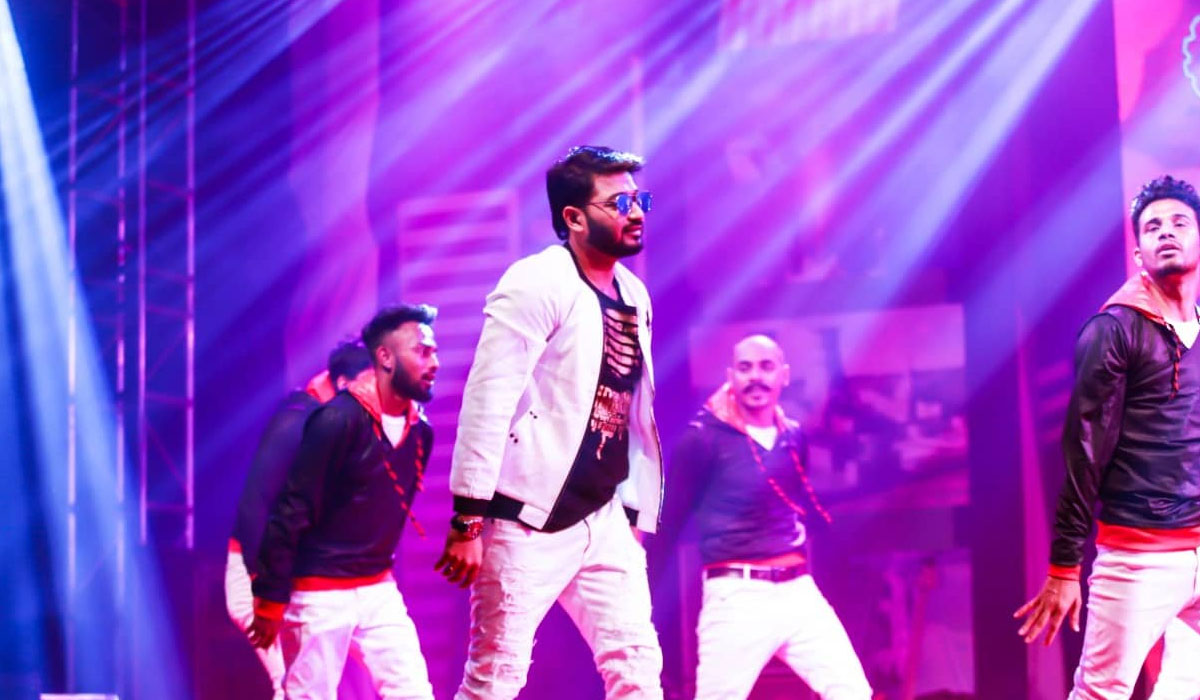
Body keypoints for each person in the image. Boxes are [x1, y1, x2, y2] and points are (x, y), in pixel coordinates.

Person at [435, 145, 664, 699]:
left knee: (637, 668)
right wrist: (468, 519)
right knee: (495, 679)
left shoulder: (634, 294)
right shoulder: (537, 281)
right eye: (620, 203)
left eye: (640, 199)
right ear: (574, 217)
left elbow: (631, 409)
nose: (636, 212)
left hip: (603, 514)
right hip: (527, 517)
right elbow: (488, 398)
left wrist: (634, 506)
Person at [1014, 175, 1200, 699]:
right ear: (1138, 252)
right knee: (1101, 693)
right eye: (1153, 227)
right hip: (1139, 555)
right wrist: (1064, 565)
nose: (1167, 232)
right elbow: (1083, 451)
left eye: (1179, 223)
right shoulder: (1114, 329)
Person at [248, 304, 440, 700]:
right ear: (385, 357)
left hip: (377, 587)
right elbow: (292, 509)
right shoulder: (337, 420)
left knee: (413, 692)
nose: (434, 362)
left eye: (434, 352)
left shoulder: (421, 431)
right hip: (318, 591)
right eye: (422, 351)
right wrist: (270, 596)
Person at [668, 334, 872, 700]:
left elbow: (800, 503)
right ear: (731, 376)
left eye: (766, 367)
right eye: (745, 368)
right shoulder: (703, 439)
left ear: (784, 375)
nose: (755, 377)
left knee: (852, 691)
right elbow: (669, 516)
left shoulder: (792, 436)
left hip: (797, 590)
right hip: (737, 594)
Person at [225, 340, 372, 698]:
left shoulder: (332, 422)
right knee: (296, 684)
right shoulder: (299, 420)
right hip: (263, 573)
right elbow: (255, 504)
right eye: (370, 385)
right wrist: (265, 584)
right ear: (343, 384)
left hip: (298, 575)